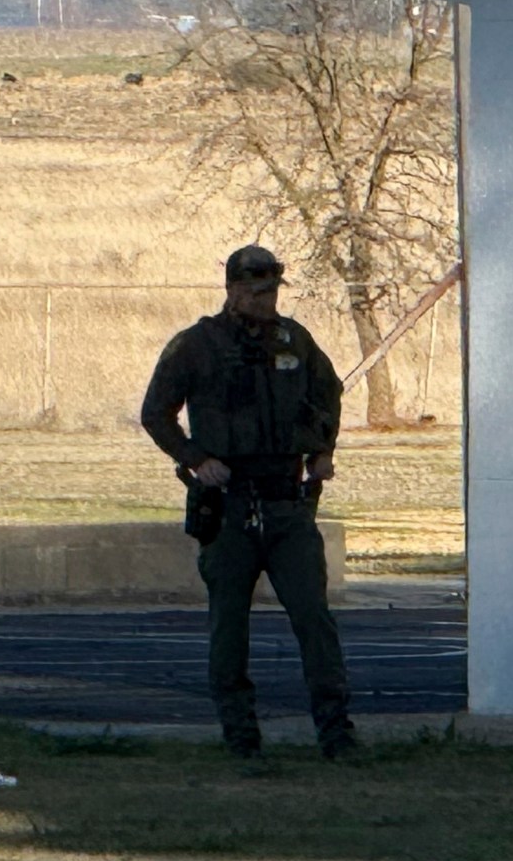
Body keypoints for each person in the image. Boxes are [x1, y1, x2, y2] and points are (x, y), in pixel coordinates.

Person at [141, 244, 354, 760]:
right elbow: (156, 413)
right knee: (229, 629)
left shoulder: (294, 341)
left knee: (314, 622)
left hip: (287, 502)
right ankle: (241, 737)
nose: (265, 301)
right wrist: (194, 458)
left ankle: (337, 736)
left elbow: (328, 394)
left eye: (272, 291)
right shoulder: (196, 345)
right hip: (229, 504)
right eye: (255, 292)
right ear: (233, 291)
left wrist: (322, 450)